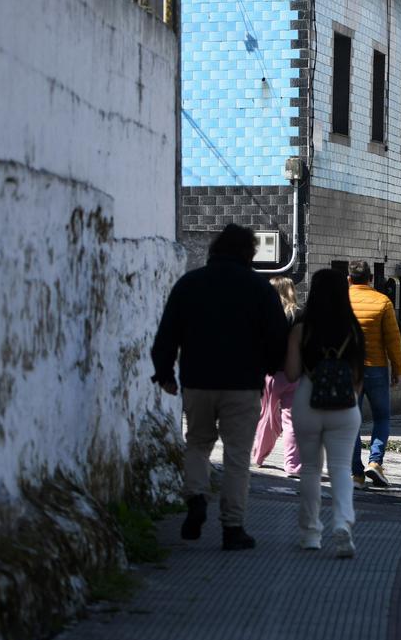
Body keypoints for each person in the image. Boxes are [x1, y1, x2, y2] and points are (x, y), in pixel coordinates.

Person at [150, 224, 289, 550]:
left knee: (197, 443)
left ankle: (196, 496)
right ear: (248, 253)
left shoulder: (189, 284)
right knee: (237, 456)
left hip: (198, 382)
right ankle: (232, 527)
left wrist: (165, 373)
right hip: (242, 385)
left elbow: (166, 333)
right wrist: (268, 368)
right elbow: (277, 337)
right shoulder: (259, 289)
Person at [286, 269, 365, 558]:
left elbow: (292, 373)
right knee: (342, 469)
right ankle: (343, 524)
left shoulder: (300, 329)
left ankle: (309, 533)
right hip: (344, 406)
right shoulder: (353, 330)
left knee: (309, 469)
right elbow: (358, 379)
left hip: (308, 400)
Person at [348, 261, 401, 488]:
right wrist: (398, 368)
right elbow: (393, 339)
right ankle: (375, 462)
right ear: (371, 279)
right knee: (382, 417)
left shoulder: (340, 301)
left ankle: (356, 475)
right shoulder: (382, 302)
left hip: (349, 370)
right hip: (376, 368)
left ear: (349, 279)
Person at [251, 277, 303, 477]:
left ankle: (259, 455)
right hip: (294, 374)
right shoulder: (298, 314)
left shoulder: (266, 315)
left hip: (270, 374)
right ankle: (293, 465)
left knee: (267, 417)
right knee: (292, 421)